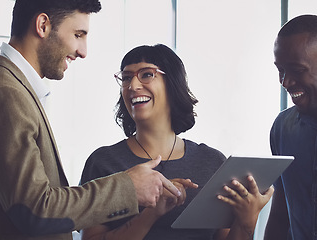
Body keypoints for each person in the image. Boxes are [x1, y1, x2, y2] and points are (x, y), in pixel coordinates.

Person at [0, 1, 182, 239]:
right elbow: (35, 210)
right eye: (78, 34)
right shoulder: (4, 93)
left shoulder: (5, 87)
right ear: (43, 25)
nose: (83, 51)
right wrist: (128, 188)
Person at [79, 44, 274, 239]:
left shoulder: (212, 162)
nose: (133, 86)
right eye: (127, 77)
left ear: (172, 83)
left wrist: (248, 221)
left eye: (146, 74)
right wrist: (150, 214)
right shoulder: (103, 163)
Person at [264, 14, 317, 240]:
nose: (285, 81)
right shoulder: (282, 129)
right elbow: (280, 214)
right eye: (280, 69)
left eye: (297, 70)